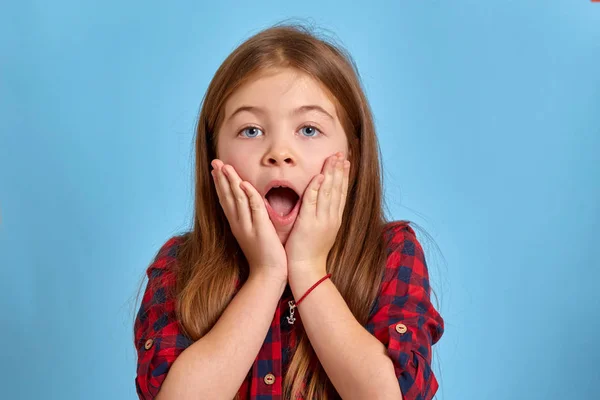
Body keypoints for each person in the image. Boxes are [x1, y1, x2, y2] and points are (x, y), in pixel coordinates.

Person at [133, 22, 444, 400]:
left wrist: (308, 270)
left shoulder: (392, 254)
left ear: (353, 157)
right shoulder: (179, 266)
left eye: (309, 130)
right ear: (214, 157)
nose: (279, 152)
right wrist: (266, 275)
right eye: (250, 130)